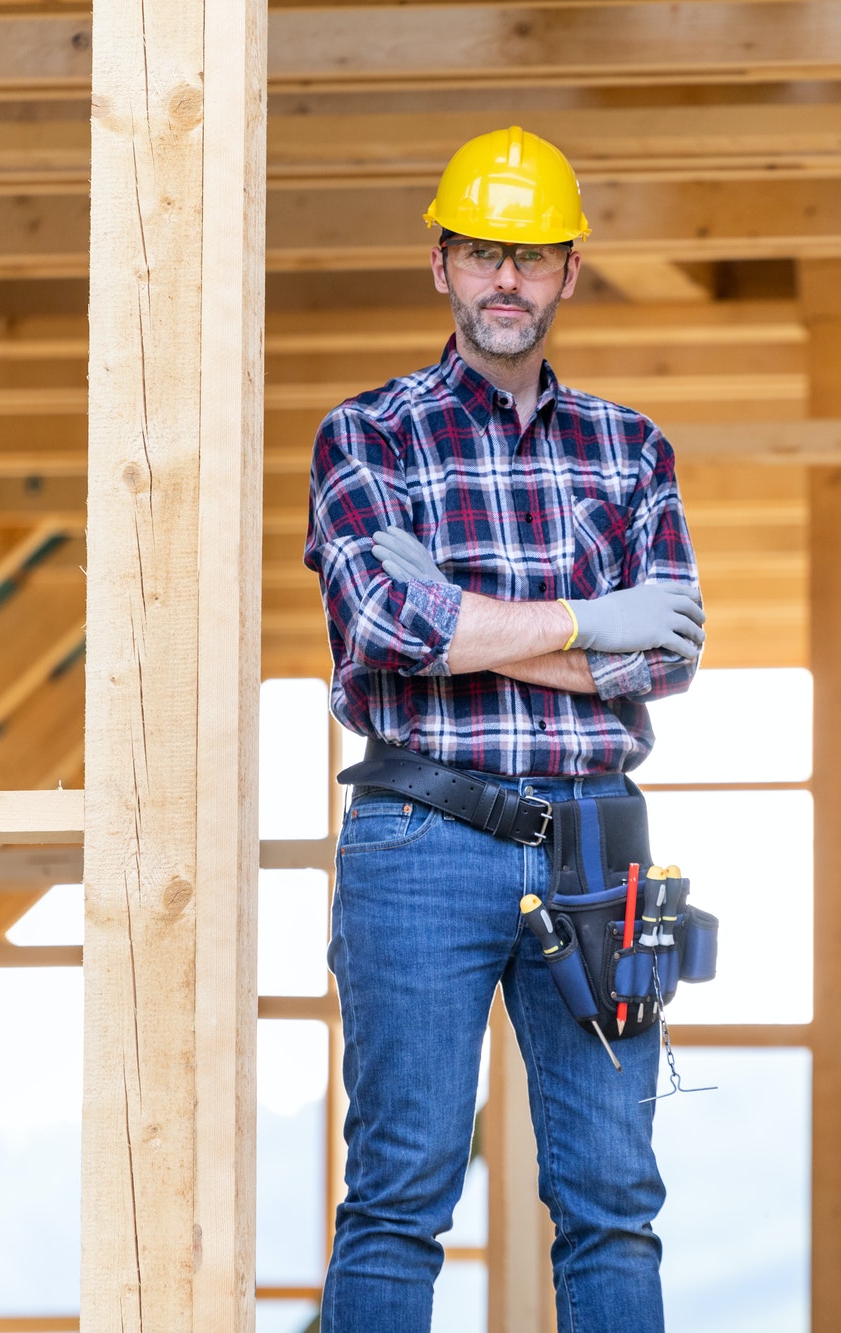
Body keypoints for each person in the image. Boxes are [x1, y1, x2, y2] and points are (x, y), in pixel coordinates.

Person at [303, 126, 704, 1332]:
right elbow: (386, 624)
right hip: (417, 838)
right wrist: (591, 619)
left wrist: (467, 618)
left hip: (595, 847)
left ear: (569, 272)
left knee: (612, 1201)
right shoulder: (366, 436)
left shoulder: (630, 449)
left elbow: (665, 658)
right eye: (483, 254)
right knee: (396, 1197)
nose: (506, 282)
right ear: (441, 265)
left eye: (530, 258)